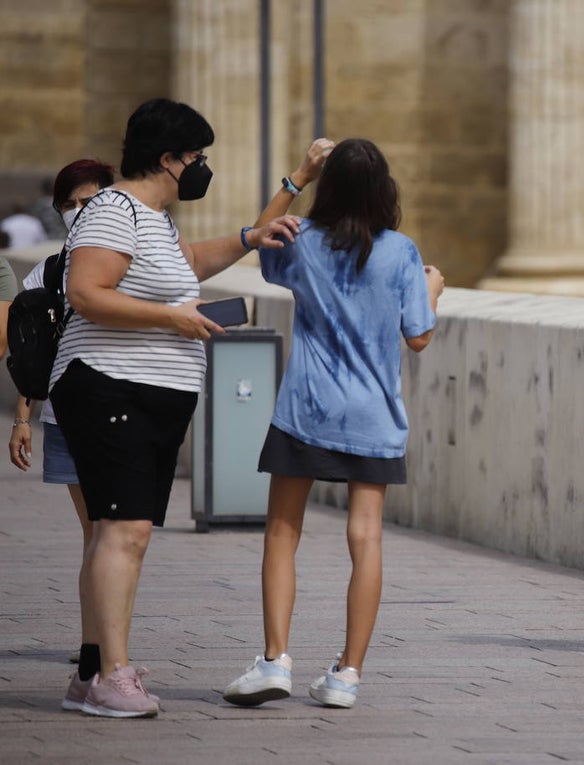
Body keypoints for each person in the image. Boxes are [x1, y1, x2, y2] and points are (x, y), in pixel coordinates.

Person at [47, 97, 301, 718]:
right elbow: (85, 291)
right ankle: (112, 675)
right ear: (168, 159)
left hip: (146, 394)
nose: (202, 167)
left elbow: (181, 267)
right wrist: (171, 317)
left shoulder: (150, 218)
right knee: (123, 530)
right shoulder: (112, 210)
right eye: (197, 157)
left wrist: (247, 238)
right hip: (111, 386)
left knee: (117, 530)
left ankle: (94, 669)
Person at [223, 138, 444, 710]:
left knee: (282, 532)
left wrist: (297, 175)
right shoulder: (401, 253)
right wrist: (435, 289)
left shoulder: (302, 242)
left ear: (331, 186)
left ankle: (274, 660)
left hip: (306, 408)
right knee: (365, 539)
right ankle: (347, 674)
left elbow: (260, 236)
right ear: (384, 190)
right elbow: (418, 336)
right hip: (373, 415)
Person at [9, 159, 116, 672]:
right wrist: (22, 418)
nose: (78, 212)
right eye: (68, 205)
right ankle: (99, 651)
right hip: (65, 416)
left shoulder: (129, 262)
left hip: (119, 411)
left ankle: (98, 649)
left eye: (88, 201)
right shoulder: (49, 270)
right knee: (98, 532)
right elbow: (27, 350)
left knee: (106, 534)